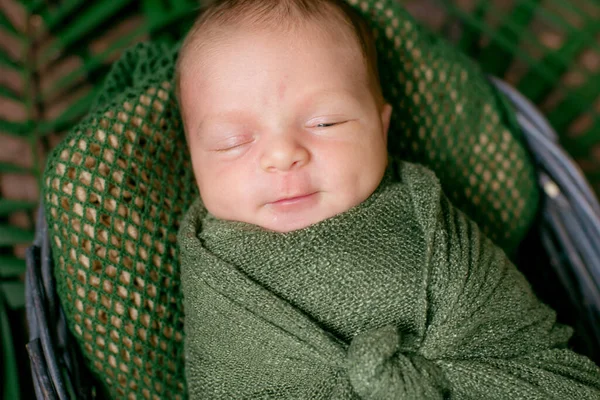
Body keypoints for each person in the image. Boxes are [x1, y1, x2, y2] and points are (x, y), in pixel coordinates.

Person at [175, 0, 600, 398]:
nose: (283, 155)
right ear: (192, 160)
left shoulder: (425, 213)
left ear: (382, 127)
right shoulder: (211, 266)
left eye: (325, 122)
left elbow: (524, 346)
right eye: (231, 142)